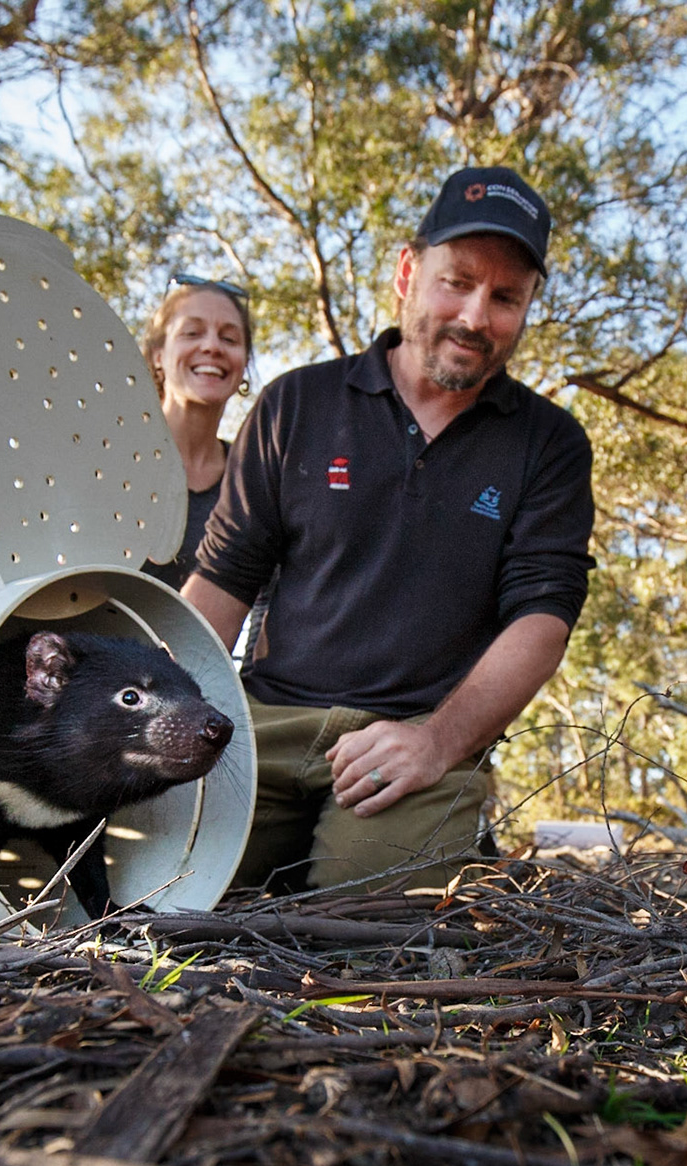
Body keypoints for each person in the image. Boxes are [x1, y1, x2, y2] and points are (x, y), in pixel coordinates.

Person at [182, 166, 597, 894]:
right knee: (158, 874)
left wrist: (436, 742)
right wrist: (156, 712)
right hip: (262, 724)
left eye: (506, 298)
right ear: (408, 272)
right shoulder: (295, 404)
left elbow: (542, 619)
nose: (475, 316)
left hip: (412, 743)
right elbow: (222, 580)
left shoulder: (550, 444)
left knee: (367, 916)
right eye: (456, 282)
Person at [139, 275, 253, 589]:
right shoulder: (110, 457)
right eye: (192, 333)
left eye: (229, 339)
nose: (212, 347)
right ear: (158, 355)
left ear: (244, 363)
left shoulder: (251, 482)